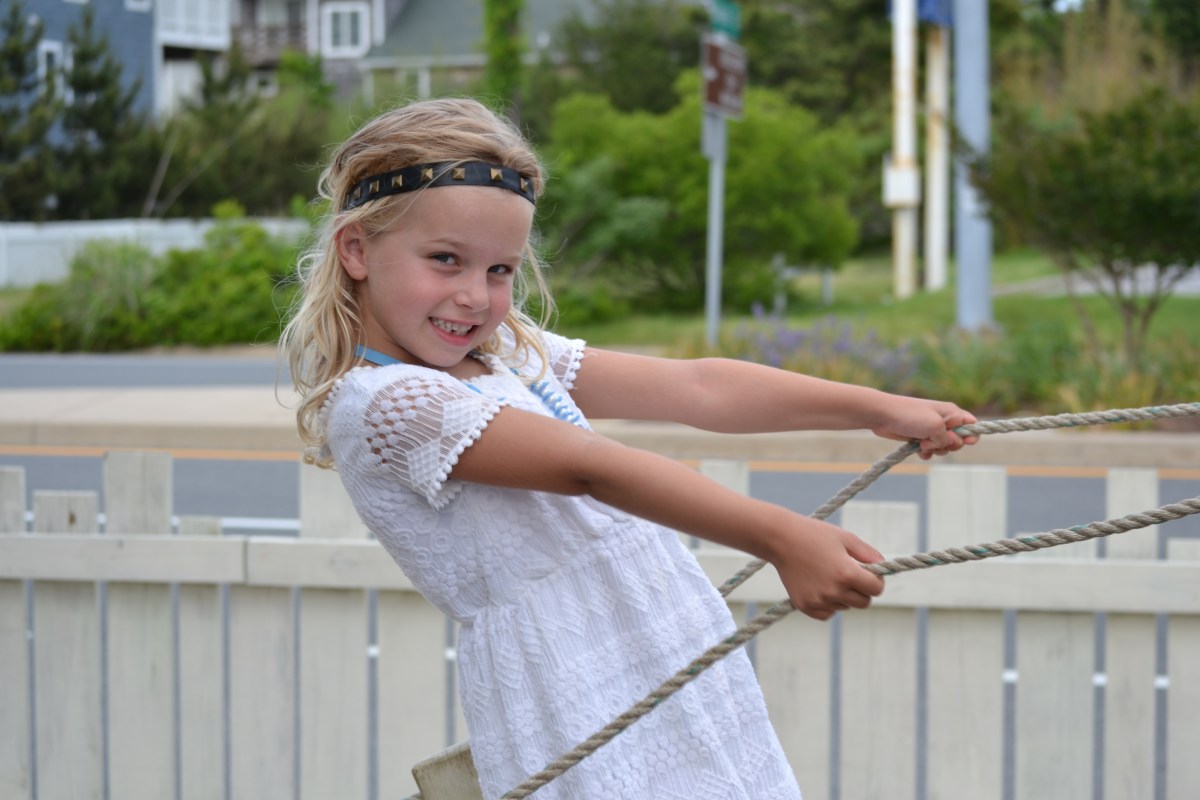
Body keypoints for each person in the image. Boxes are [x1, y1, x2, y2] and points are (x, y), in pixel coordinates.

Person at [280, 97, 977, 800]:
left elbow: (699, 388)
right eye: (445, 260)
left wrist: (877, 408)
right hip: (571, 681)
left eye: (500, 271)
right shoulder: (385, 404)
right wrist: (781, 537)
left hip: (657, 644)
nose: (475, 297)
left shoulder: (506, 355)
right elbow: (588, 469)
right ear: (357, 249)